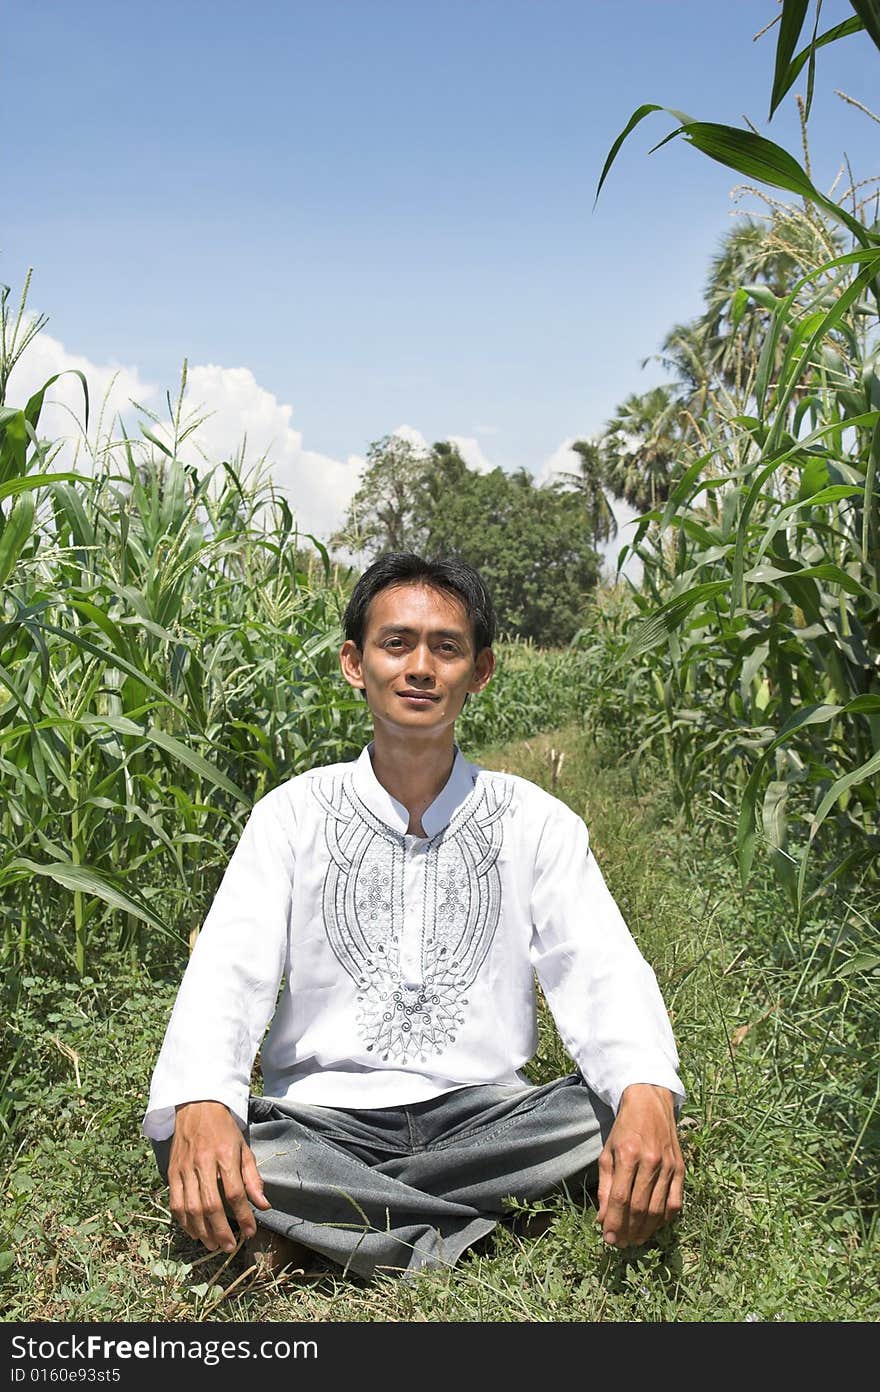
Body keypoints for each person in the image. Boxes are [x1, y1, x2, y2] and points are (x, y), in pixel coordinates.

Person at [142, 552, 685, 1280]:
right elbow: (228, 969)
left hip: (487, 1121)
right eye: (396, 643)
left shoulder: (535, 822)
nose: (420, 667)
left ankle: (319, 1228)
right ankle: (473, 1224)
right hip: (320, 1123)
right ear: (353, 663)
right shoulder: (293, 815)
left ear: (481, 671)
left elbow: (600, 967)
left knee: (605, 1116)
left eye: (447, 648)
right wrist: (206, 1099)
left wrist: (645, 1094)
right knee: (199, 1124)